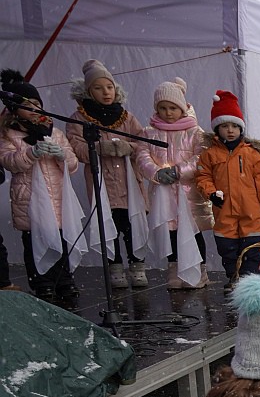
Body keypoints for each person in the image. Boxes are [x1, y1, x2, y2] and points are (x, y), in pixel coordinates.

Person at [0, 69, 82, 303]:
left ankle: (65, 280)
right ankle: (42, 282)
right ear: (14, 109)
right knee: (35, 243)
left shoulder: (54, 132)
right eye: (27, 105)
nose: (33, 108)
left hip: (57, 198)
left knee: (61, 241)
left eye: (36, 103)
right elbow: (9, 161)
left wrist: (61, 155)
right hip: (30, 198)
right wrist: (30, 152)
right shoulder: (9, 134)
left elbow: (73, 163)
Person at [66, 59, 147, 289]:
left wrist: (127, 148)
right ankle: (115, 267)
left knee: (131, 226)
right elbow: (76, 148)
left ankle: (137, 265)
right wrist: (98, 148)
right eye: (99, 88)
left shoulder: (126, 116)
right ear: (89, 91)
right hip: (102, 184)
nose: (106, 92)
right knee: (108, 228)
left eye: (109, 87)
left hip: (128, 184)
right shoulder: (79, 118)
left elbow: (142, 143)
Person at [135, 77, 214, 289]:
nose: (168, 113)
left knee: (193, 233)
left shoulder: (195, 133)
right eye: (163, 108)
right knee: (170, 233)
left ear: (182, 107)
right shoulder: (149, 132)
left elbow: (202, 159)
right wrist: (157, 172)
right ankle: (175, 269)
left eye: (173, 107)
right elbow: (141, 156)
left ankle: (199, 270)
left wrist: (180, 171)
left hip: (188, 194)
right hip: (163, 194)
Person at [194, 90, 260, 291]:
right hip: (225, 211)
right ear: (217, 129)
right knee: (228, 249)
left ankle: (251, 280)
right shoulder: (209, 155)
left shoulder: (252, 154)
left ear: (240, 128)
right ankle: (235, 278)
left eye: (234, 126)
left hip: (251, 212)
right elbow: (203, 178)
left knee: (251, 249)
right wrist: (211, 193)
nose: (230, 130)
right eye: (224, 126)